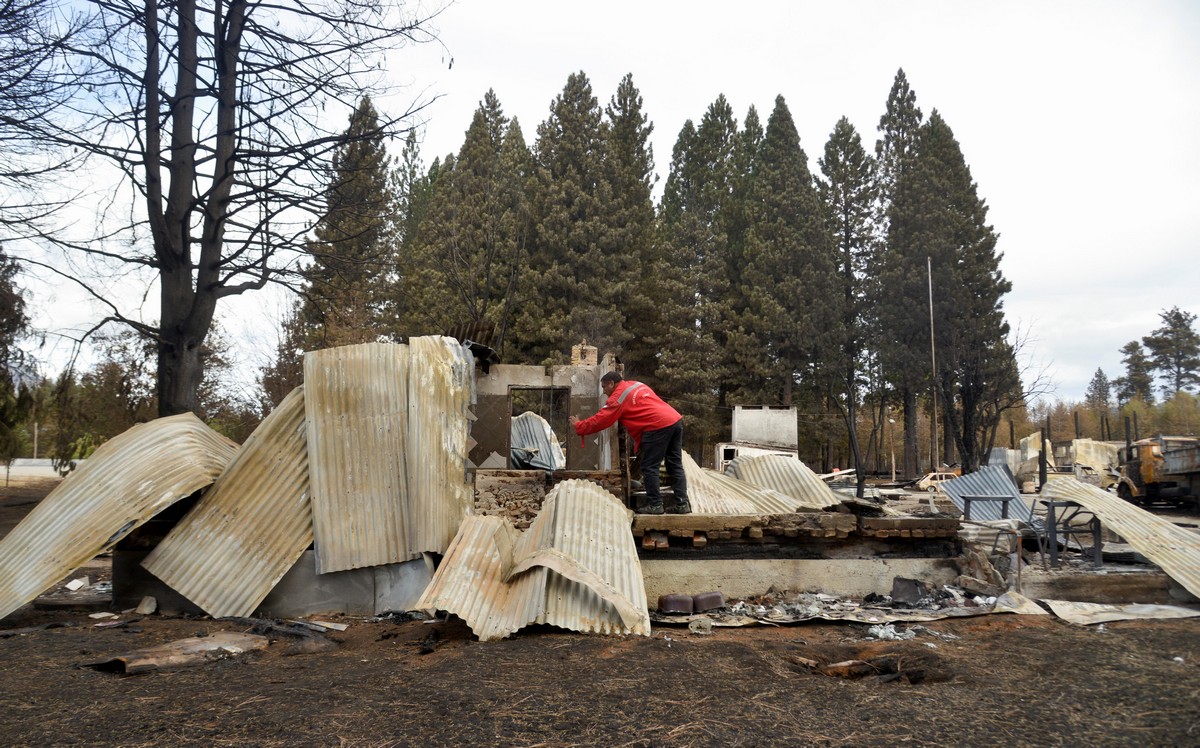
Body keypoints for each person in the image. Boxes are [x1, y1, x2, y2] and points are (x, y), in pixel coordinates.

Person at [570, 371, 691, 515]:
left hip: (656, 426)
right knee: (675, 465)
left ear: (611, 384)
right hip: (674, 419)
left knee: (649, 467)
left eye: (604, 387)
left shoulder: (617, 398)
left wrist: (579, 425)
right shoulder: (636, 384)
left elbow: (600, 420)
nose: (603, 392)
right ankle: (682, 505)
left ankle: (655, 505)